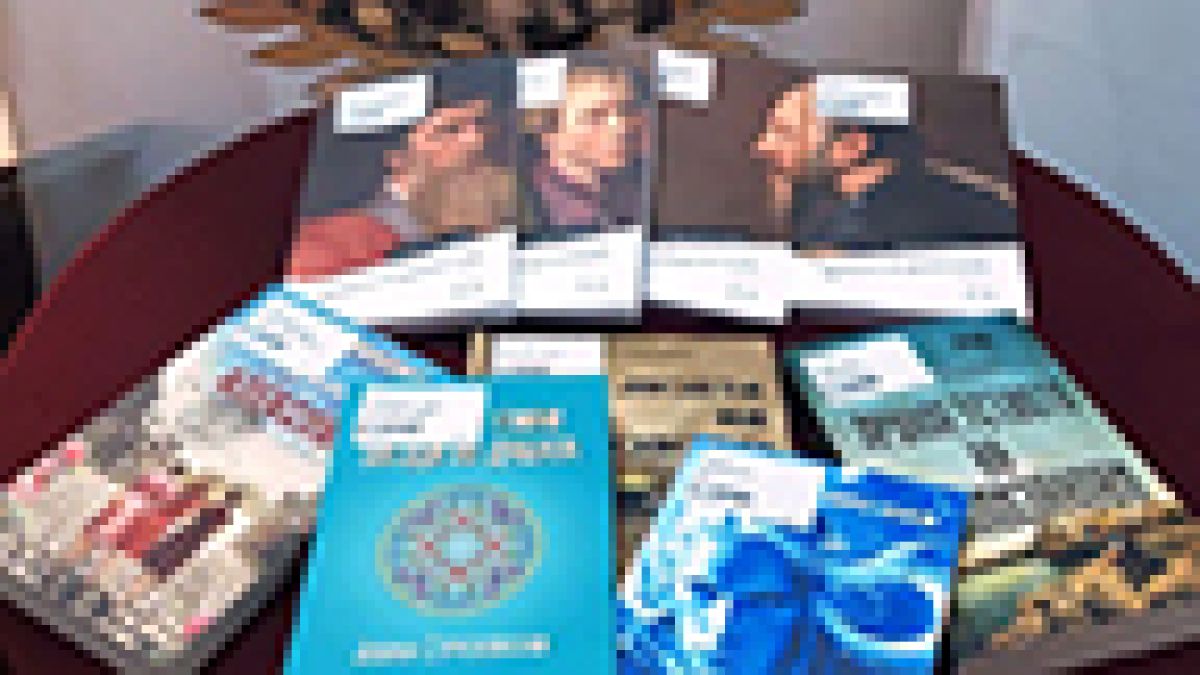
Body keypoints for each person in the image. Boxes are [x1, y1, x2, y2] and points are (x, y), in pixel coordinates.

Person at [753, 80, 1016, 249]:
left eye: (784, 133)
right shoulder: (830, 207)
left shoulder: (889, 233)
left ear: (851, 147)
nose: (761, 146)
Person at [286, 99, 515, 280]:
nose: (478, 140)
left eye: (484, 126)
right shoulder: (327, 245)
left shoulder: (496, 231)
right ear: (396, 158)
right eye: (450, 130)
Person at [521, 64, 648, 235]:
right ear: (548, 131)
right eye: (596, 115)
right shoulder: (533, 205)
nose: (621, 127)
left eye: (626, 111)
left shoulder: (634, 191)